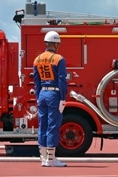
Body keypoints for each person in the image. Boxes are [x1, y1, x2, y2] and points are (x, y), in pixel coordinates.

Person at [33, 31, 68, 167]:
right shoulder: (59, 59)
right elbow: (61, 80)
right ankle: (51, 159)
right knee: (53, 125)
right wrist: (62, 98)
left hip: (42, 94)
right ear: (55, 44)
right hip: (54, 95)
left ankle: (43, 158)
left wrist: (38, 97)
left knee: (43, 126)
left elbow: (36, 81)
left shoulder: (37, 59)